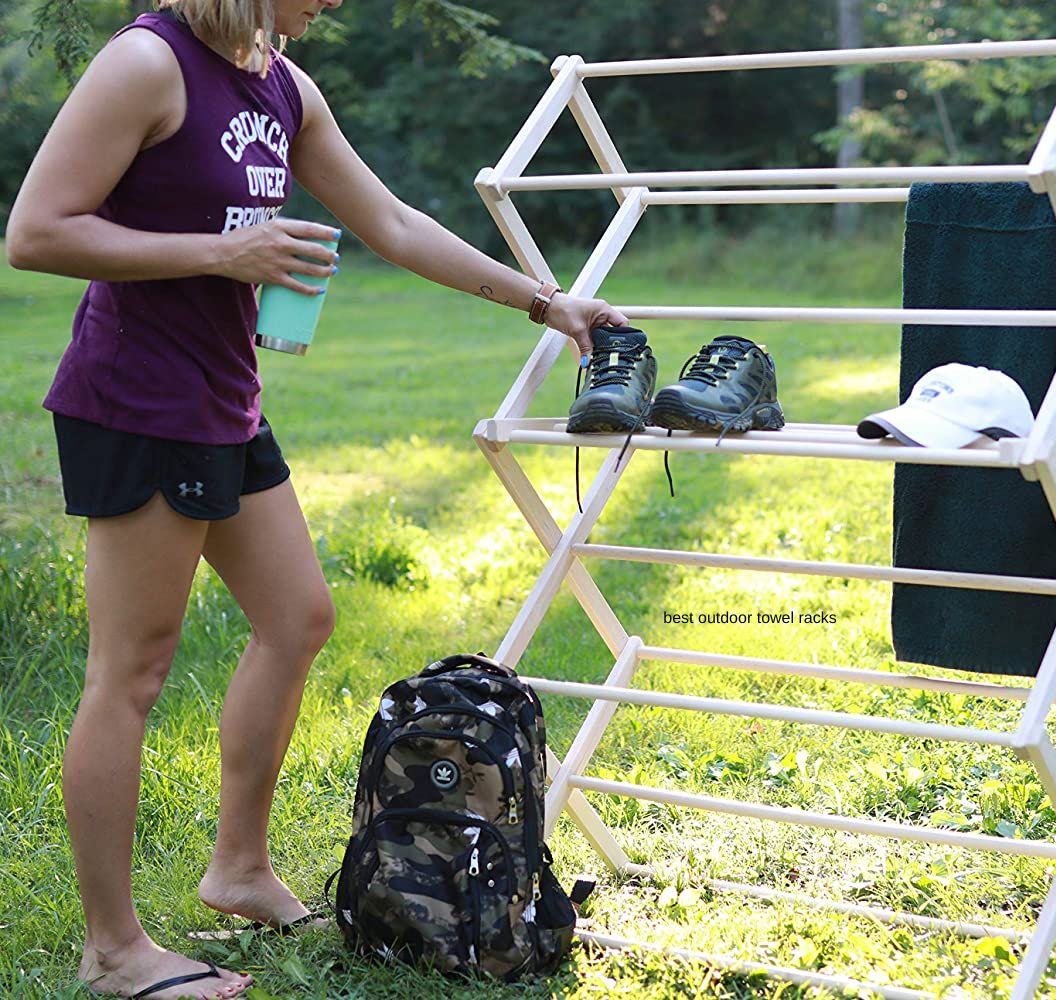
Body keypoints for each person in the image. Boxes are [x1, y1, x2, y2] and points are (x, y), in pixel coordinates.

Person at [5, 0, 627, 994]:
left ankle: (239, 868)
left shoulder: (282, 82)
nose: (335, 2)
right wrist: (221, 253)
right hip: (137, 402)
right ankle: (113, 948)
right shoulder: (146, 63)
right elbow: (36, 233)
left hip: (224, 404)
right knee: (132, 669)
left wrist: (545, 303)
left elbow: (392, 221)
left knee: (297, 618)